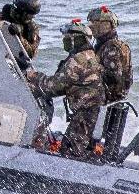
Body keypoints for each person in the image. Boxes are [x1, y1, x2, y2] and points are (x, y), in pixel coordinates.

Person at [30, 18, 104, 158]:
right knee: (73, 148)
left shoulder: (77, 61)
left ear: (74, 39)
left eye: (66, 37)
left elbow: (54, 87)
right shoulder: (90, 55)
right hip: (90, 112)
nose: (64, 40)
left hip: (84, 114)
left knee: (69, 151)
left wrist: (34, 77)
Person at [88, 5, 133, 159]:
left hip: (109, 103)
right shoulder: (104, 45)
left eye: (96, 22)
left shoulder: (112, 47)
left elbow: (114, 77)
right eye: (91, 22)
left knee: (94, 139)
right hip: (108, 102)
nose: (92, 26)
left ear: (108, 25)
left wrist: (89, 69)